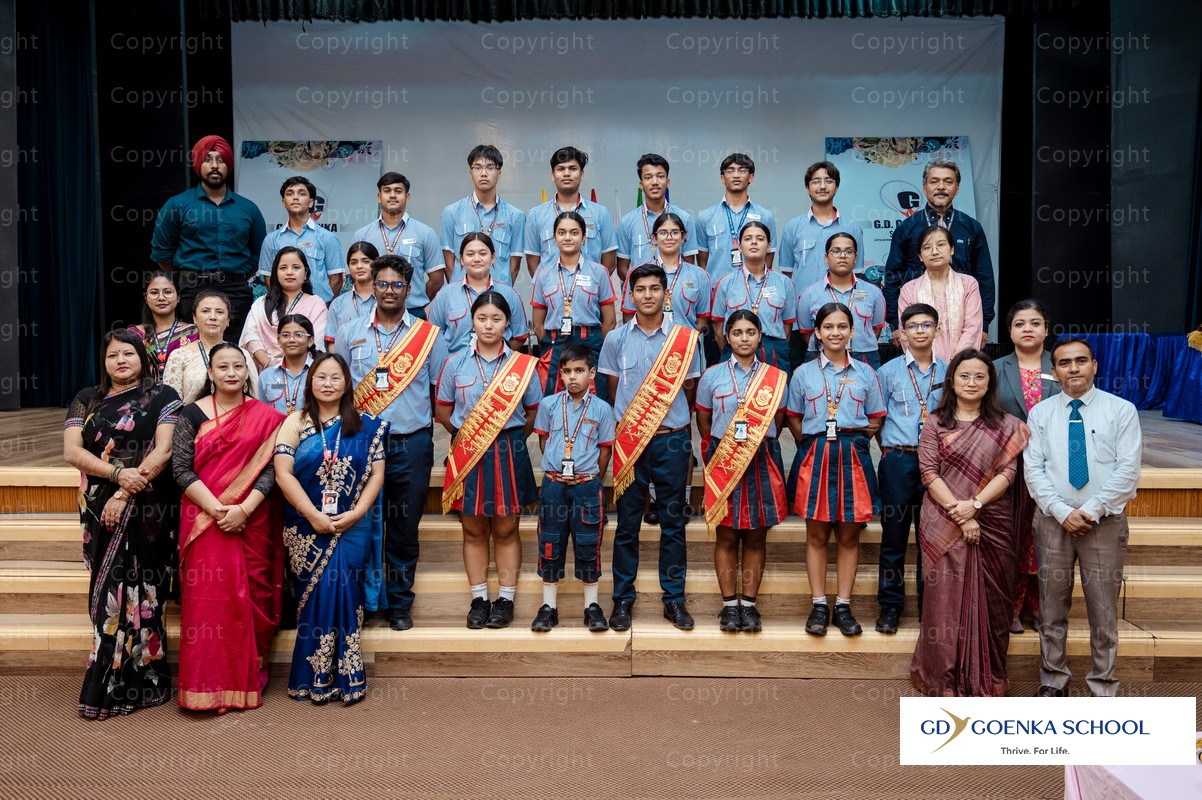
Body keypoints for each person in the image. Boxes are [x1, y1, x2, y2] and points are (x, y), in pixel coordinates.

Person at [64, 330, 182, 720]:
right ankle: (107, 678)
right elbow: (72, 450)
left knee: (147, 589)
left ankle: (146, 679)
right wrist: (116, 476)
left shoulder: (164, 396)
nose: (120, 361)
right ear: (103, 361)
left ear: (143, 358)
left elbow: (164, 450)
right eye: (112, 355)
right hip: (100, 507)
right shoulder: (86, 398)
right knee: (108, 592)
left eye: (128, 353)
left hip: (148, 506)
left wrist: (125, 491)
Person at [333, 254, 448, 631]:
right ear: (372, 286)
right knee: (360, 525)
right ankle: (363, 602)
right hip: (361, 443)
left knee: (403, 527)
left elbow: (439, 390)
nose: (388, 291)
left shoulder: (427, 336)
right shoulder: (350, 332)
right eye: (381, 283)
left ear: (408, 290)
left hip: (410, 444)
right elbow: (339, 389)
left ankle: (399, 602)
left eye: (397, 285)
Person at [171, 342, 286, 713]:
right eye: (223, 367)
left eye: (238, 366)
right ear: (210, 373)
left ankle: (245, 680)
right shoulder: (191, 414)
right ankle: (206, 685)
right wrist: (218, 509)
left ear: (247, 371)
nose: (232, 373)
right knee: (209, 603)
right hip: (204, 519)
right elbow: (180, 469)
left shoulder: (268, 417)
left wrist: (244, 510)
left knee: (254, 594)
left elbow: (273, 468)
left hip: (252, 519)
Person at [1025, 337, 1141, 698]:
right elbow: (1033, 470)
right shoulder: (1040, 414)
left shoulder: (1121, 410)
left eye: (1080, 361)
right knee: (1051, 608)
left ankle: (1102, 687)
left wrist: (1089, 510)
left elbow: (1128, 470)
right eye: (1064, 363)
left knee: (1103, 612)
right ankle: (1053, 681)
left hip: (1103, 524)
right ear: (1054, 371)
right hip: (1052, 522)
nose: (1073, 368)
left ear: (1094, 365)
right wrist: (1063, 512)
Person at [910, 350, 1030, 696]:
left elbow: (1008, 473)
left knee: (992, 601)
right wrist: (962, 515)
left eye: (980, 376)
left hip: (992, 519)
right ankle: (942, 678)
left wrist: (975, 505)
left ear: (990, 382)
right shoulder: (936, 422)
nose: (972, 382)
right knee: (944, 601)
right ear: (952, 380)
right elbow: (928, 472)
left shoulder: (1007, 425)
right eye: (964, 376)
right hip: (943, 520)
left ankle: (988, 676)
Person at [273, 353, 388, 704]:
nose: (327, 383)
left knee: (346, 594)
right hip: (306, 526)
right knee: (316, 598)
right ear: (310, 383)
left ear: (347, 383)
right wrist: (312, 515)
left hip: (352, 526)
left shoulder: (366, 425)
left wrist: (356, 513)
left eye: (335, 377)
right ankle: (312, 678)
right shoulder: (295, 422)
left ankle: (347, 678)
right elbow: (283, 474)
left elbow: (377, 475)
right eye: (320, 377)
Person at [598, 263, 703, 632]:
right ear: (630, 295)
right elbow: (613, 392)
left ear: (665, 293)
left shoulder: (685, 339)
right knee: (627, 524)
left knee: (673, 523)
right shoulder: (615, 339)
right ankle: (622, 599)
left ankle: (673, 599)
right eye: (640, 289)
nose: (647, 295)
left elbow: (690, 390)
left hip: (672, 439)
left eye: (654, 288)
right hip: (630, 440)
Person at [437, 292, 541, 629]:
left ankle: (505, 601)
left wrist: (505, 438)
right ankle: (479, 599)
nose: (489, 325)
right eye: (482, 318)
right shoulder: (454, 364)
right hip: (468, 452)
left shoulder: (522, 365)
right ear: (472, 321)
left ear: (507, 323)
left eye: (496, 319)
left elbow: (533, 412)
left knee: (507, 528)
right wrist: (469, 438)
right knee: (473, 528)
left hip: (509, 450)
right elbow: (443, 410)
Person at [786, 302, 885, 637]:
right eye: (828, 327)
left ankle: (843, 605)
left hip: (852, 455)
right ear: (816, 332)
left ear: (853, 331)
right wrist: (812, 444)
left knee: (848, 535)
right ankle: (818, 605)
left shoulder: (866, 373)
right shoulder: (803, 373)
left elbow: (875, 418)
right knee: (816, 535)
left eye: (842, 326)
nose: (835, 332)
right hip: (815, 453)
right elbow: (793, 417)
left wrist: (852, 442)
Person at [696, 311, 788, 633]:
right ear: (727, 337)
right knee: (726, 535)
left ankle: (748, 606)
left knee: (756, 534)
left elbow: (778, 421)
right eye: (737, 332)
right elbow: (704, 421)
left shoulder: (776, 377)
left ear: (760, 336)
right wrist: (725, 451)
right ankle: (728, 606)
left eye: (750, 332)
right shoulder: (712, 376)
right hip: (724, 457)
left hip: (761, 457)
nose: (744, 338)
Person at [531, 344, 616, 633]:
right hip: (554, 486)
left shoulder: (602, 409)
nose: (572, 377)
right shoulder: (549, 405)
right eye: (567, 371)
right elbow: (544, 441)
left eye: (579, 370)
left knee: (588, 544)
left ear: (592, 373)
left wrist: (590, 477)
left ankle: (591, 607)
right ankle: (548, 607)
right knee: (550, 543)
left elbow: (604, 451)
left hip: (586, 487)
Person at [873, 303, 947, 635]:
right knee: (894, 536)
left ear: (937, 330)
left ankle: (928, 604)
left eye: (926, 325)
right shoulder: (887, 372)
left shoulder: (949, 371)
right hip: (898, 460)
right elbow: (877, 419)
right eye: (913, 326)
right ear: (902, 333)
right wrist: (891, 453)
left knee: (931, 536)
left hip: (938, 463)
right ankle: (891, 605)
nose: (920, 331)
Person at [151, 135, 266, 335]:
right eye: (207, 159)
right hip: (190, 290)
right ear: (198, 165)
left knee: (233, 349)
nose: (214, 166)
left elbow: (258, 255)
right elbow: (162, 254)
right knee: (191, 347)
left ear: (228, 165)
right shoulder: (177, 205)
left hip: (236, 292)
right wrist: (188, 274)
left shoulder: (248, 209)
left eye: (221, 160)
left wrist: (233, 276)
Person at [995, 299, 1060, 635]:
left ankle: (1041, 606)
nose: (1028, 329)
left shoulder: (1062, 365)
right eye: (1020, 324)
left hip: (1054, 467)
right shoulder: (995, 368)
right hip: (1009, 467)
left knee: (1045, 537)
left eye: (1035, 323)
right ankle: (1011, 605)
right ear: (1009, 331)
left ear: (1046, 330)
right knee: (1014, 535)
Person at [884, 158, 994, 345]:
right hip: (918, 318)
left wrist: (984, 325)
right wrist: (895, 323)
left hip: (963, 317)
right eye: (934, 181)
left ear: (957, 188)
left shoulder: (971, 227)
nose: (941, 187)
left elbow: (985, 278)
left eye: (948, 181)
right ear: (924, 187)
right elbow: (892, 277)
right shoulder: (907, 228)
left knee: (960, 361)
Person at [530, 210, 617, 402]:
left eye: (574, 232)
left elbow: (610, 321)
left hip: (590, 345)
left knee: (594, 403)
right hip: (556, 346)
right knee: (553, 403)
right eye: (562, 232)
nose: (568, 237)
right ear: (554, 238)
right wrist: (551, 343)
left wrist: (595, 342)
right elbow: (537, 324)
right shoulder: (543, 275)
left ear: (584, 237)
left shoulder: (599, 272)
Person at [352, 172, 444, 317]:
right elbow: (356, 276)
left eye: (398, 191)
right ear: (379, 197)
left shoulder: (425, 233)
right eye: (387, 191)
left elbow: (437, 280)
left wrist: (412, 301)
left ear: (407, 197)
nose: (392, 195)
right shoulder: (362, 235)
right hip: (371, 312)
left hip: (412, 311)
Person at [709, 221, 795, 370]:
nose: (754, 242)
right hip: (735, 351)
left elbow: (787, 327)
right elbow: (718, 325)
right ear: (740, 247)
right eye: (748, 239)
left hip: (773, 353)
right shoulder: (725, 283)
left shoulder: (784, 283)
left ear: (768, 246)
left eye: (760, 239)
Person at [426, 232, 529, 355]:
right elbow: (433, 336)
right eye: (470, 254)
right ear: (461, 259)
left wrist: (498, 357)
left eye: (483, 254)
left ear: (493, 257)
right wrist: (451, 362)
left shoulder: (509, 295)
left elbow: (519, 337)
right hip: (456, 364)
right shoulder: (445, 295)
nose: (476, 259)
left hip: (498, 364)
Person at [795, 233, 886, 369]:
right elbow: (806, 332)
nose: (842, 256)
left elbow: (876, 329)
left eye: (848, 251)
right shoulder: (809, 295)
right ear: (826, 257)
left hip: (864, 356)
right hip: (821, 356)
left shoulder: (874, 293)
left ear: (855, 257)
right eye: (836, 251)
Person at [524, 146, 617, 276]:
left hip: (591, 288)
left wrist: (592, 284)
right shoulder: (536, 215)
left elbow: (609, 262)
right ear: (553, 175)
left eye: (573, 168)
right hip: (550, 288)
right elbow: (532, 264)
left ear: (582, 174)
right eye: (561, 169)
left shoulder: (600, 213)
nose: (566, 173)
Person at [441, 144, 526, 285]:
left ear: (499, 174)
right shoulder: (451, 212)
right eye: (478, 167)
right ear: (470, 173)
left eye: (490, 168)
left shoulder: (515, 216)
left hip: (498, 294)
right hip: (462, 293)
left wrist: (501, 290)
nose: (484, 173)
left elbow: (514, 266)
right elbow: (449, 264)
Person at [779, 160, 866, 297]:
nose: (822, 186)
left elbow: (857, 273)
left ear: (836, 187)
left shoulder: (852, 229)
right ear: (807, 188)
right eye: (816, 181)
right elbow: (787, 273)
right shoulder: (792, 227)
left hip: (840, 304)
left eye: (828, 181)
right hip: (803, 304)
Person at [896, 226, 983, 362]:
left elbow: (973, 327)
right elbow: (907, 333)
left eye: (941, 245)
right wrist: (927, 365)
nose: (935, 252)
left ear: (952, 249)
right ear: (920, 256)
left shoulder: (968, 284)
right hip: (923, 366)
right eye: (927, 247)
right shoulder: (909, 289)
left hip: (961, 364)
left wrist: (956, 364)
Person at [258, 176, 345, 303]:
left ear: (311, 202)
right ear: (283, 202)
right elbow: (269, 280)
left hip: (320, 310)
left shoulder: (327, 237)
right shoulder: (271, 240)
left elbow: (336, 279)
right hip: (284, 310)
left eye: (302, 193)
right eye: (290, 194)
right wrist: (282, 306)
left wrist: (322, 307)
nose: (295, 197)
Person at [162, 290, 259, 404]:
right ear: (194, 318)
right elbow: (171, 405)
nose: (213, 317)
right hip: (193, 415)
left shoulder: (242, 355)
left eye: (219, 312)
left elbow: (255, 399)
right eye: (206, 311)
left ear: (228, 320)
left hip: (238, 415)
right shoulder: (179, 356)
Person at [618, 213, 711, 333]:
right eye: (663, 233)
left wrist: (684, 339)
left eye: (675, 232)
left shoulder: (699, 276)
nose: (669, 237)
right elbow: (629, 317)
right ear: (654, 238)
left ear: (683, 237)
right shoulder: (637, 273)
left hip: (685, 342)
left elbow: (702, 321)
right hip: (647, 342)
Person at [241, 246, 328, 371]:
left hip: (303, 371)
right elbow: (250, 336)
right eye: (283, 268)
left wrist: (292, 366)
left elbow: (316, 340)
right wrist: (269, 365)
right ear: (275, 273)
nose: (289, 272)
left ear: (305, 273)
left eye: (296, 267)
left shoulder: (316, 304)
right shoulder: (261, 303)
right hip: (266, 371)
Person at [615, 153, 700, 280]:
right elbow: (622, 267)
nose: (654, 182)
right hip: (641, 291)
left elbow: (689, 264)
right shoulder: (627, 222)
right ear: (641, 184)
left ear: (667, 182)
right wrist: (641, 286)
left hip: (675, 289)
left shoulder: (685, 219)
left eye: (660, 176)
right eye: (648, 177)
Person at [127, 270, 199, 375]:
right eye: (154, 293)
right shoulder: (133, 334)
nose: (161, 298)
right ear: (146, 298)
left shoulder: (193, 332)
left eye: (168, 292)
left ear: (178, 297)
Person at [258, 314, 316, 414]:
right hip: (277, 424)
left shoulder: (319, 372)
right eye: (285, 335)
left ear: (310, 340)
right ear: (279, 340)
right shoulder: (267, 376)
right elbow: (263, 413)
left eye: (299, 335)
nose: (291, 340)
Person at [326, 242, 379, 349]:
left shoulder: (386, 299)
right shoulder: (338, 304)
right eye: (353, 263)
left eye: (366, 261)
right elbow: (332, 344)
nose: (359, 266)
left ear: (376, 265)